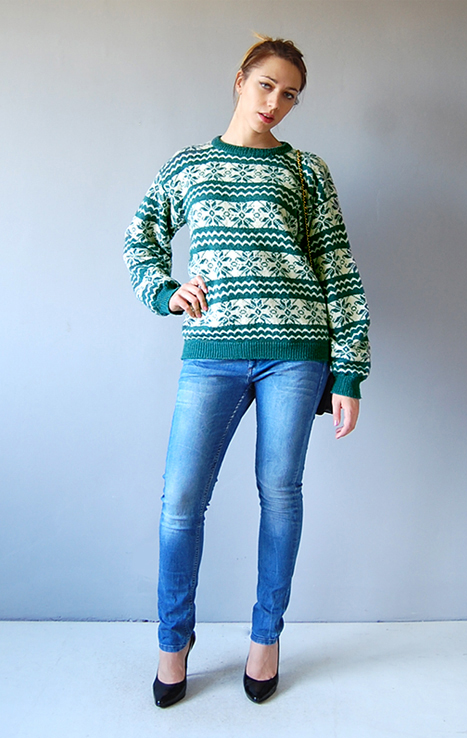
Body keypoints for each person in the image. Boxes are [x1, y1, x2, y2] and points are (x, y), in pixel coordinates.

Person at [124, 34, 370, 707]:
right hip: (213, 352)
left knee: (279, 493)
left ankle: (267, 638)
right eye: (266, 85)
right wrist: (164, 291)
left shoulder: (308, 170)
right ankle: (173, 642)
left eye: (290, 95)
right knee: (180, 502)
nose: (275, 103)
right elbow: (141, 236)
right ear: (240, 80)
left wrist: (348, 372)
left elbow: (338, 269)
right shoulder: (189, 164)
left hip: (297, 350)